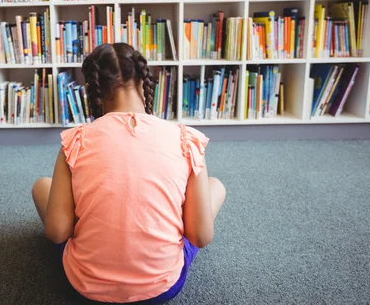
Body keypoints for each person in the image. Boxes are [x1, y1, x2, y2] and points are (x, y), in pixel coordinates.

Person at [32, 43, 226, 304]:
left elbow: (57, 233)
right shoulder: (185, 139)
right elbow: (201, 236)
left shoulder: (76, 141)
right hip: (161, 288)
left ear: (93, 89)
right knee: (216, 186)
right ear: (143, 81)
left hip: (86, 287)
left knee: (41, 186)